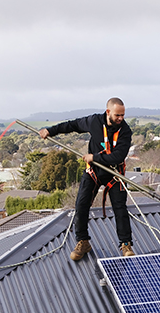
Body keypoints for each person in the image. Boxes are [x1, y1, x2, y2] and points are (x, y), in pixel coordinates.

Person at [40, 98, 135, 261]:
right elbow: (72, 125)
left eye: (123, 115)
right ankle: (83, 242)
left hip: (114, 173)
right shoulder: (94, 121)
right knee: (81, 205)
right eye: (117, 115)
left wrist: (94, 157)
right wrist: (50, 131)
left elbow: (118, 156)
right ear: (108, 112)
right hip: (94, 172)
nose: (120, 118)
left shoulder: (125, 131)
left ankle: (126, 244)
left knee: (120, 208)